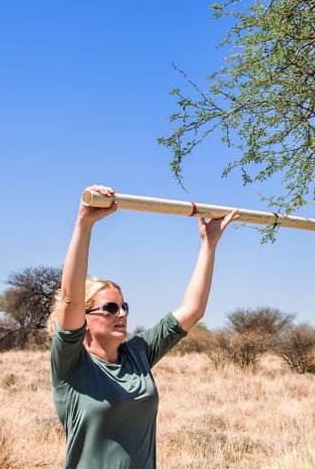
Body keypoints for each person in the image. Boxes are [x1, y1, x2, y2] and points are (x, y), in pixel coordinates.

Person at [48, 184, 239, 469]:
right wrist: (84, 223)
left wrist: (208, 246)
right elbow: (70, 300)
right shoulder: (71, 365)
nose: (121, 314)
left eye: (124, 307)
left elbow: (192, 310)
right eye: (110, 308)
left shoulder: (137, 355)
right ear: (85, 318)